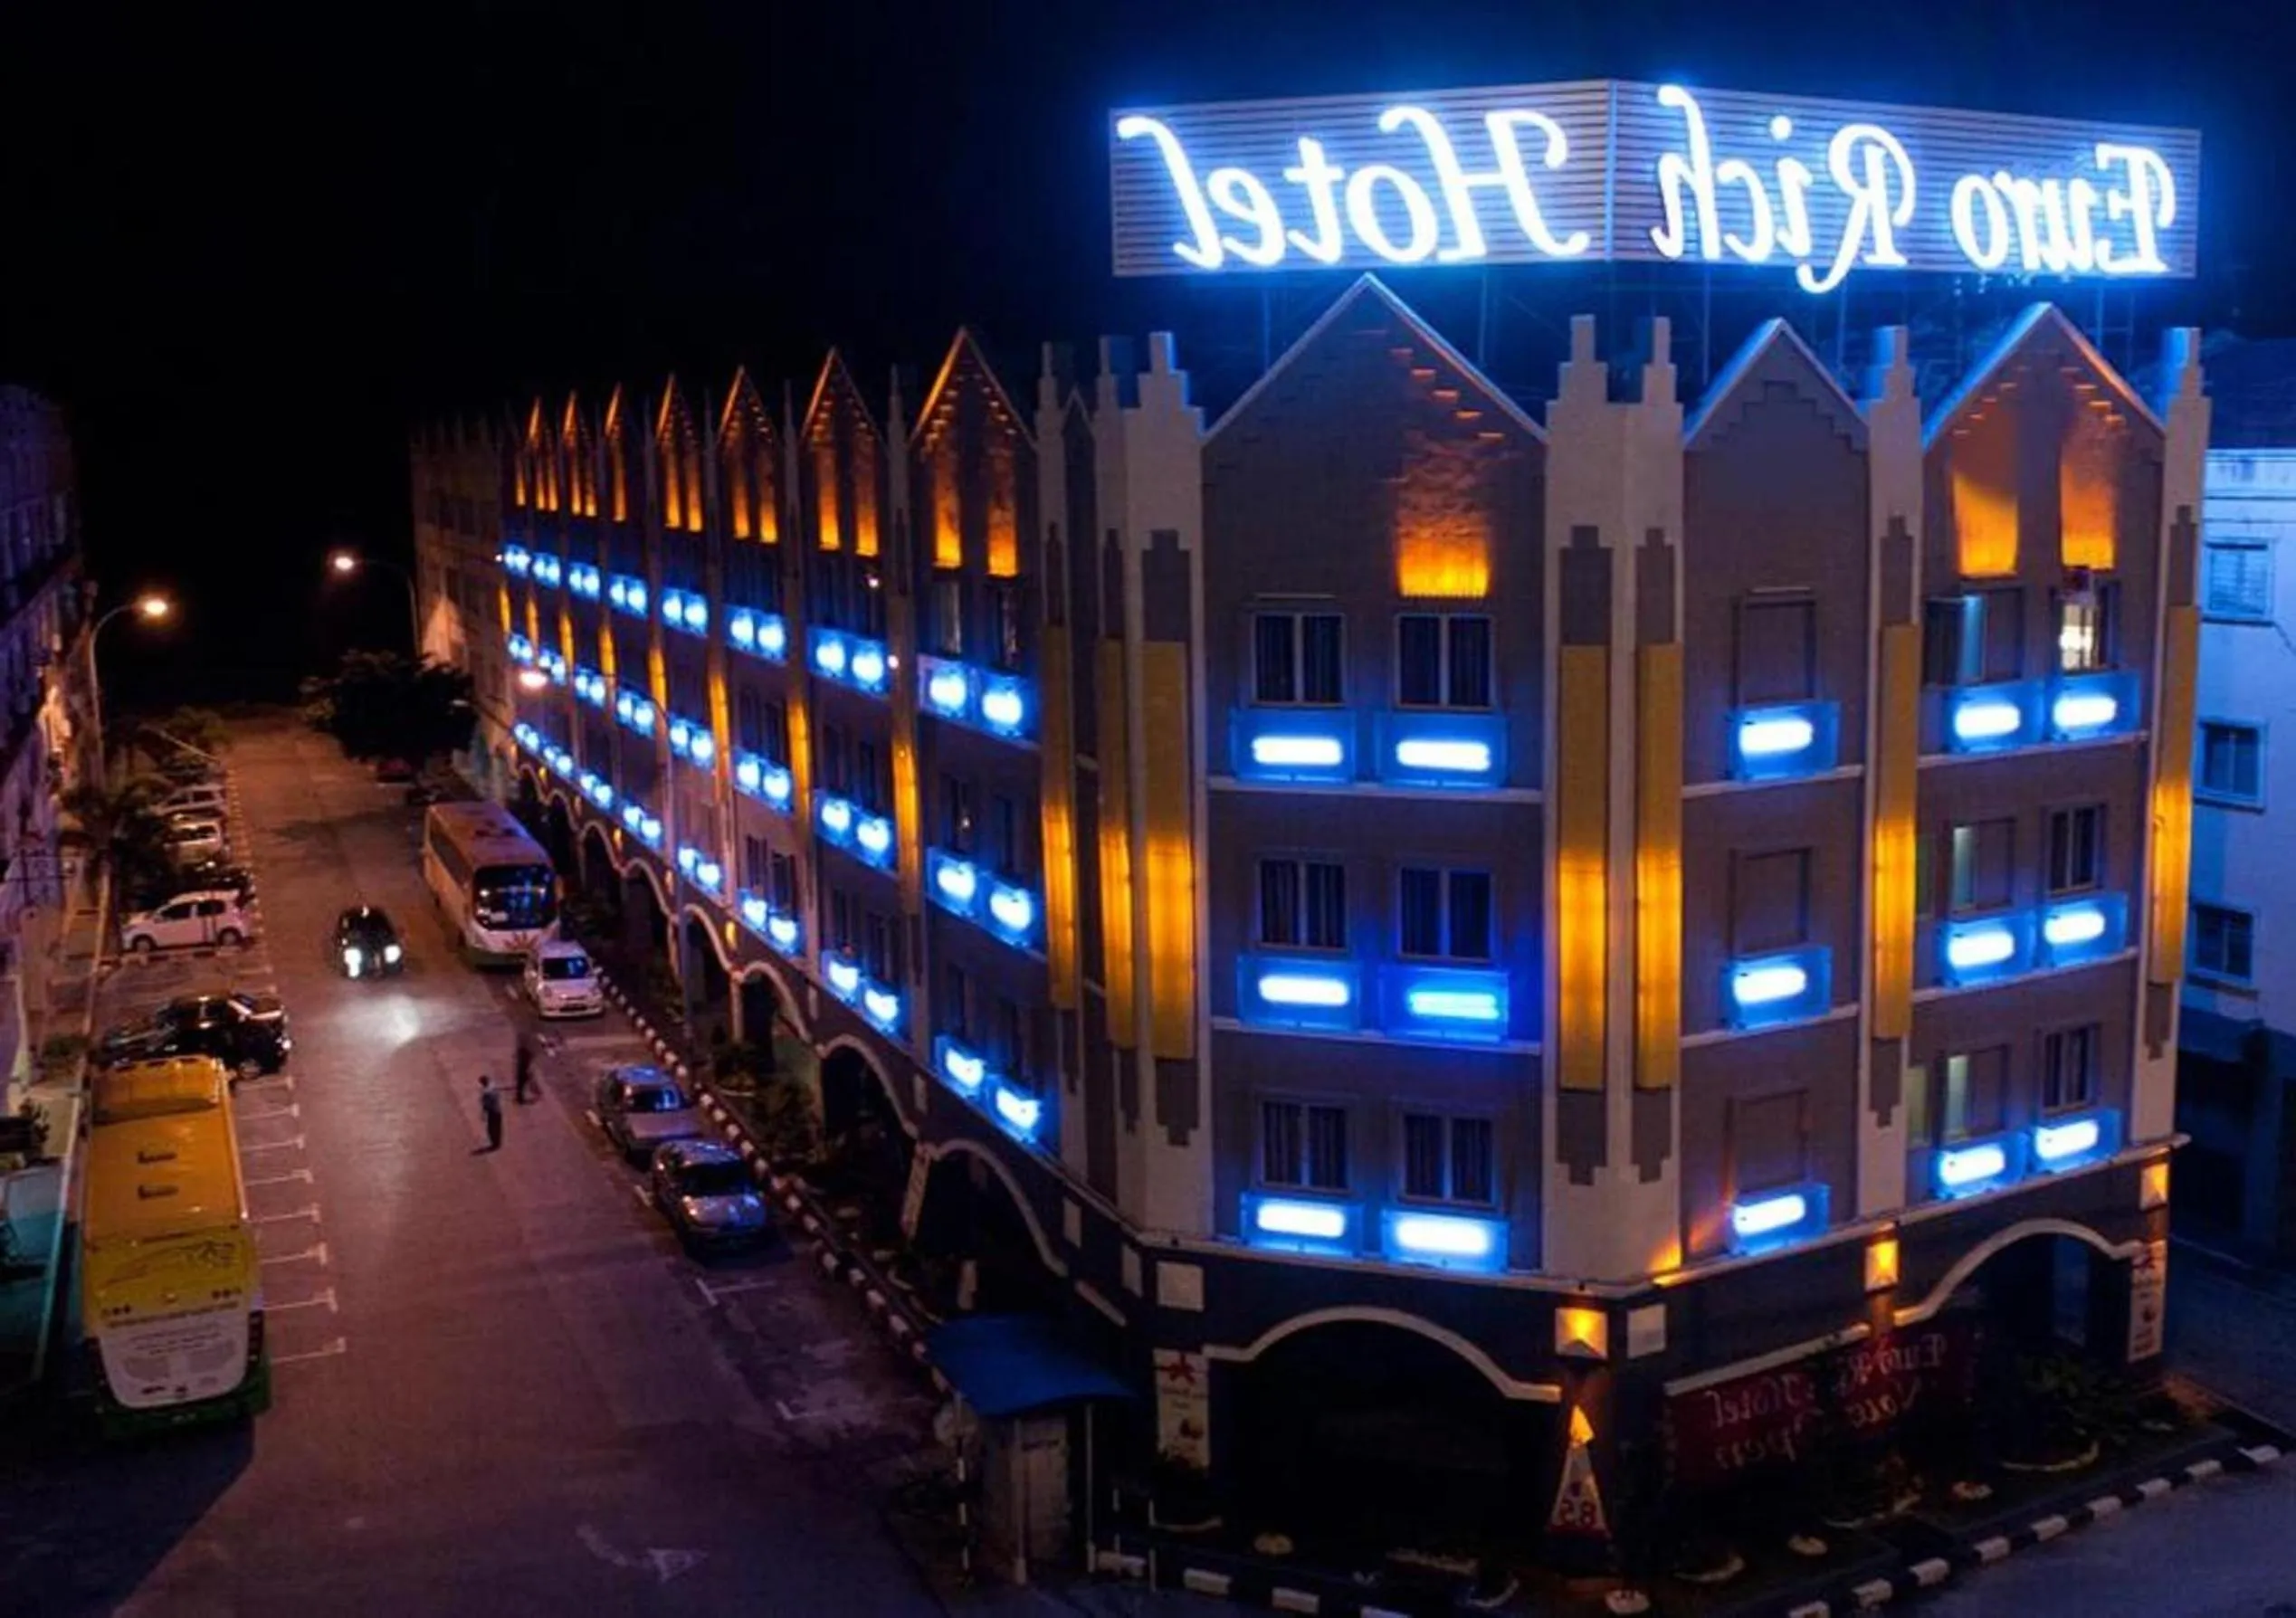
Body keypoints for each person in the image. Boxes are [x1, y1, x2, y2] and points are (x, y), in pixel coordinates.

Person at [478, 1073, 503, 1151]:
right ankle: (498, 1142)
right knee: (498, 1127)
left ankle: (494, 1143)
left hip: (492, 1112)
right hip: (498, 1110)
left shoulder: (486, 1092)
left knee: (491, 1128)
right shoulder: (493, 1086)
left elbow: (486, 1104)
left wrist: (483, 1113)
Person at [514, 1034, 536, 1104]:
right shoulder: (526, 1054)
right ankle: (520, 1098)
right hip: (523, 1071)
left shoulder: (522, 1052)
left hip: (521, 1071)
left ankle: (519, 1098)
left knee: (520, 1086)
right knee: (521, 1086)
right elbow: (530, 1059)